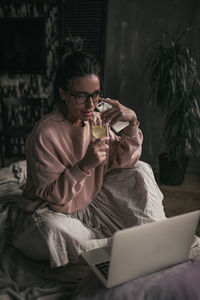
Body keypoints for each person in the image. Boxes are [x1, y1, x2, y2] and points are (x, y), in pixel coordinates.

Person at [13, 37, 166, 268]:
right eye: (81, 96)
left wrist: (132, 122)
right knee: (52, 232)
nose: (90, 104)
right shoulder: (44, 133)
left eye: (95, 94)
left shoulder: (97, 118)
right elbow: (53, 197)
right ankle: (113, 250)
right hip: (53, 211)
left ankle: (149, 239)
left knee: (141, 170)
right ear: (63, 93)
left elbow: (125, 160)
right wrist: (84, 165)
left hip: (91, 204)